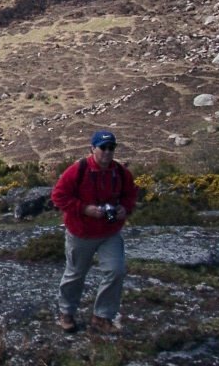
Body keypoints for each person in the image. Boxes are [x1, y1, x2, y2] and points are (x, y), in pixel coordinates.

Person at [51, 130, 138, 334]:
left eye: (111, 148)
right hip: (81, 233)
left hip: (109, 232)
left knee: (116, 270)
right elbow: (58, 196)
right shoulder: (78, 170)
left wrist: (125, 208)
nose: (107, 152)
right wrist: (84, 209)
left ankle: (102, 317)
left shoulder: (121, 173)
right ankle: (66, 313)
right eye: (103, 148)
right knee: (75, 274)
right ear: (92, 149)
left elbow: (130, 195)